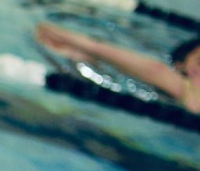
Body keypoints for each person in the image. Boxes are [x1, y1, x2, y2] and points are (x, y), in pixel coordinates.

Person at [35, 23, 200, 114]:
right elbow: (159, 70)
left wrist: (86, 44)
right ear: (180, 67)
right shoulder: (187, 90)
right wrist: (85, 44)